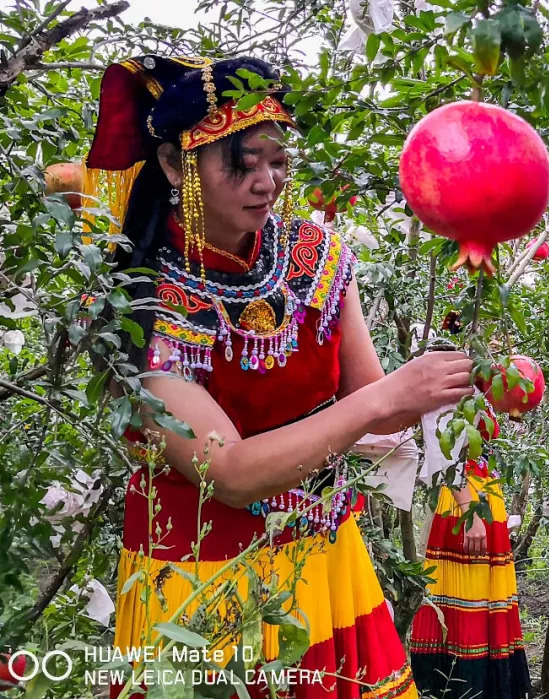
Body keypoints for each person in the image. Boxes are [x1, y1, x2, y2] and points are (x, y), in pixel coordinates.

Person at [86, 54, 475, 698]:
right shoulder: (141, 306)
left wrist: (458, 380)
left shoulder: (315, 256)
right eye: (243, 162)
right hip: (201, 577)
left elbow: (378, 402)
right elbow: (230, 475)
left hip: (324, 555)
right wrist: (387, 398)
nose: (265, 181)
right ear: (176, 165)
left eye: (276, 161)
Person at [408, 409, 531, 699]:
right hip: (467, 502)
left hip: (482, 495)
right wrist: (470, 513)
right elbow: (443, 450)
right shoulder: (459, 378)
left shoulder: (478, 385)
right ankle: (459, 687)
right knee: (469, 602)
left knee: (482, 601)